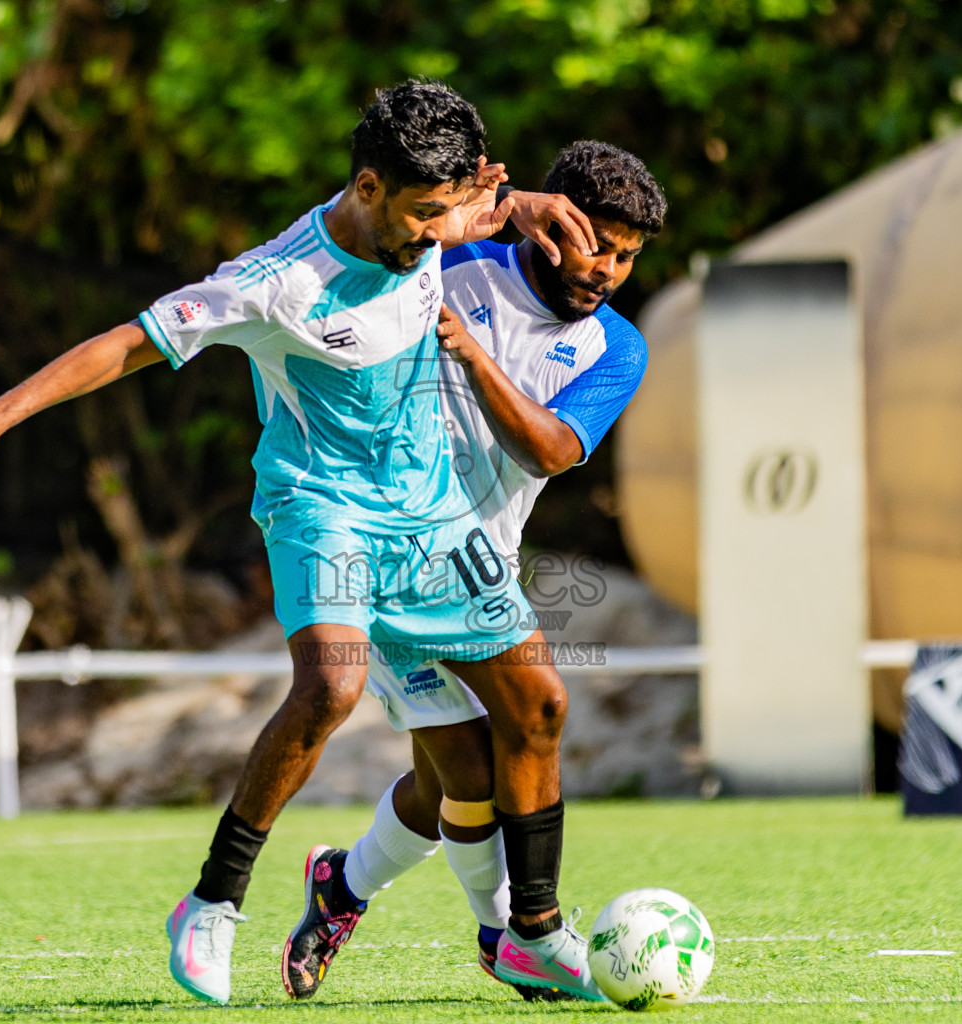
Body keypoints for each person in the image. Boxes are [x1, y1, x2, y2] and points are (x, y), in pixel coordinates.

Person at [0, 80, 608, 1005]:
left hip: (432, 514)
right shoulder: (275, 282)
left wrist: (524, 204)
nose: (435, 236)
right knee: (332, 687)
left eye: (444, 212)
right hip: (324, 505)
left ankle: (533, 933)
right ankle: (214, 901)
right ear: (368, 187)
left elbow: (475, 213)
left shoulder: (427, 216)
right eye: (421, 214)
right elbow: (123, 345)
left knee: (539, 705)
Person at [282, 141, 663, 1002]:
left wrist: (471, 355)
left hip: (477, 567)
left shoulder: (616, 347)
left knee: (449, 781)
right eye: (592, 242)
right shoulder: (451, 263)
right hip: (375, 547)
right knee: (493, 749)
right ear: (549, 219)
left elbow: (554, 449)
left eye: (627, 256)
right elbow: (350, 230)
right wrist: (496, 206)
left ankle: (340, 889)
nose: (606, 270)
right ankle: (521, 933)